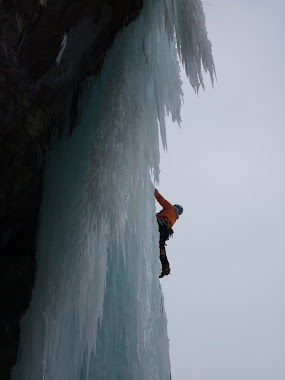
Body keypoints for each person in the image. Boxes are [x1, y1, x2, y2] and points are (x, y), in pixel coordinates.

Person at [154, 189, 183, 278]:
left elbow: (161, 199)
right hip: (166, 230)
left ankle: (164, 266)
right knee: (161, 246)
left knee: (160, 244)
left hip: (161, 224)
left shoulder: (170, 208)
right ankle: (165, 266)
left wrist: (154, 191)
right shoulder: (174, 218)